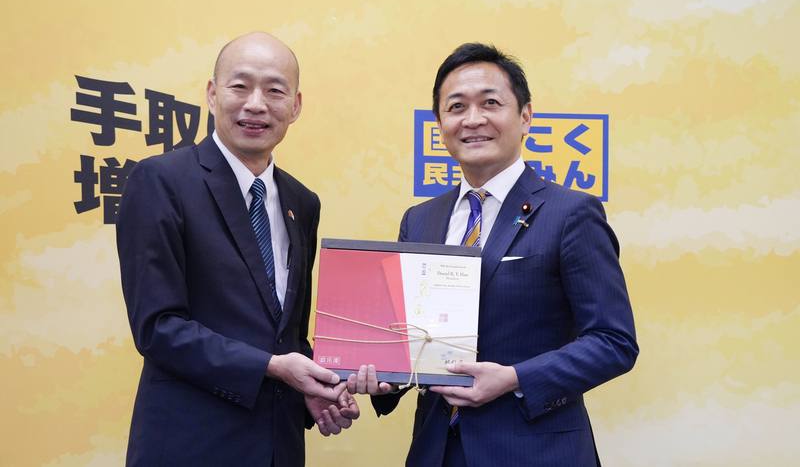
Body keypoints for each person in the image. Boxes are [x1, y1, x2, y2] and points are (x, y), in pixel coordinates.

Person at [351, 43, 638, 466]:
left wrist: (515, 379)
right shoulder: (421, 220)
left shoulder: (570, 213)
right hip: (437, 451)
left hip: (536, 449)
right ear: (440, 123)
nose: (473, 120)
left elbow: (614, 342)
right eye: (456, 107)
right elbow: (412, 341)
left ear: (525, 117)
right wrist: (386, 378)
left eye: (490, 103)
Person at [117, 32, 359, 467]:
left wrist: (316, 388)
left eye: (274, 90)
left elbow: (287, 336)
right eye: (240, 86)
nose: (255, 104)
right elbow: (158, 327)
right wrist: (271, 366)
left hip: (277, 447)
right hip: (189, 446)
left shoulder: (301, 203)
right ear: (212, 94)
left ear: (296, 106)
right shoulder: (162, 182)